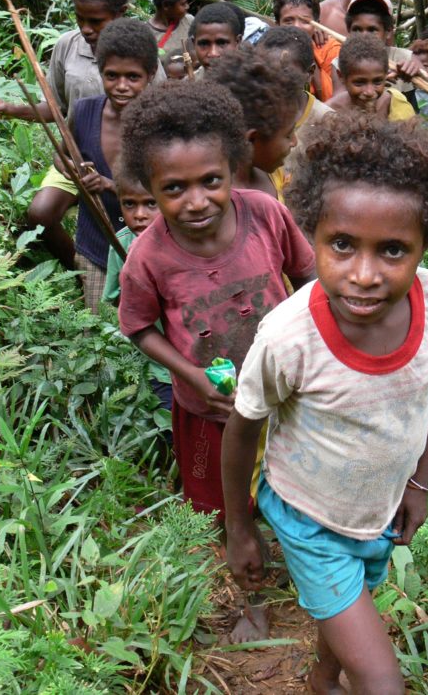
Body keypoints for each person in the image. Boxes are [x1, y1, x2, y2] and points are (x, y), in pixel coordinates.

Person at [221, 113, 428, 695]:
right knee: (381, 681)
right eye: (342, 245)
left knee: (344, 623)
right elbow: (242, 429)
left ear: (424, 245)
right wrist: (239, 526)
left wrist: (420, 481)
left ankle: (320, 681)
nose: (364, 274)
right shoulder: (289, 337)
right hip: (309, 517)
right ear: (310, 230)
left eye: (392, 250)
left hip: (378, 511)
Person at [117, 78, 315, 638]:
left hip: (284, 396)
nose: (196, 200)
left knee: (288, 482)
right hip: (210, 410)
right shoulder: (149, 255)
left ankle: (300, 563)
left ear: (233, 167)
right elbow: (136, 326)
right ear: (149, 189)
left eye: (211, 181)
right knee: (223, 507)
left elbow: (306, 279)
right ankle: (249, 594)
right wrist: (191, 374)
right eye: (174, 188)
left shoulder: (265, 214)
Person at [0, 0, 165, 268]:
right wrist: (11, 109)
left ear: (120, 12)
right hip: (78, 155)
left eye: (96, 21)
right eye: (80, 18)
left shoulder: (141, 56)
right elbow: (55, 109)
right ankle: (80, 269)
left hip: (128, 158)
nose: (86, 29)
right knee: (40, 214)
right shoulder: (68, 46)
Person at [58, 17, 158, 311]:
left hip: (152, 245)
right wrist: (74, 171)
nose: (122, 86)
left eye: (133, 77)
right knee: (99, 329)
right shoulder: (85, 110)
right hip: (96, 242)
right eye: (112, 76)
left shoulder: (162, 121)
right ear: (100, 72)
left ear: (150, 74)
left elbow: (169, 189)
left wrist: (108, 185)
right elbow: (62, 153)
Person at [103, 160, 172, 424]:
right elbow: (113, 299)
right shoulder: (121, 244)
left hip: (200, 355)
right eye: (129, 204)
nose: (139, 214)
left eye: (150, 204)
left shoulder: (185, 240)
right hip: (158, 365)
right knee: (170, 428)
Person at [205, 46, 306, 201]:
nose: (294, 141)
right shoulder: (225, 203)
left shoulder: (271, 173)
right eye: (288, 134)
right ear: (251, 140)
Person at [256, 25, 333, 173]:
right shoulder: (251, 114)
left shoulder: (327, 123)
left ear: (309, 73)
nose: (274, 82)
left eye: (286, 75)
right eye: (265, 72)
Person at [273, 0, 341, 101]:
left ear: (317, 25)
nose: (296, 27)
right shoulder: (270, 51)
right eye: (288, 21)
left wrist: (308, 53)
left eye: (305, 21)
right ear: (277, 25)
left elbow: (334, 100)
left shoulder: (330, 49)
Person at [327, 34, 414, 121]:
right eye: (359, 83)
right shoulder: (329, 113)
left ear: (385, 74)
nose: (369, 92)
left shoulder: (394, 105)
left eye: (377, 82)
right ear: (341, 76)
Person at [139, 0, 193, 79]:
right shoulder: (145, 34)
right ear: (166, 6)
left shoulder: (189, 22)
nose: (187, 7)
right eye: (183, 4)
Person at [189, 3, 242, 73]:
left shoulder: (254, 82)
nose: (213, 53)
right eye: (204, 44)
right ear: (194, 43)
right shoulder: (189, 82)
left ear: (237, 42)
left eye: (222, 43)